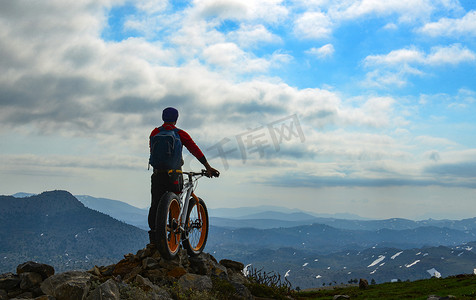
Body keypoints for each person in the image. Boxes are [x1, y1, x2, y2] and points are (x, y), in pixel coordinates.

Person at [148, 107, 219, 245]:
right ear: (176, 119)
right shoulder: (180, 133)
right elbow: (194, 149)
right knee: (175, 202)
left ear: (163, 117)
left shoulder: (154, 132)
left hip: (157, 174)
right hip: (174, 174)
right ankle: (172, 238)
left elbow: (152, 152)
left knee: (155, 204)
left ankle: (153, 239)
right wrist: (208, 167)